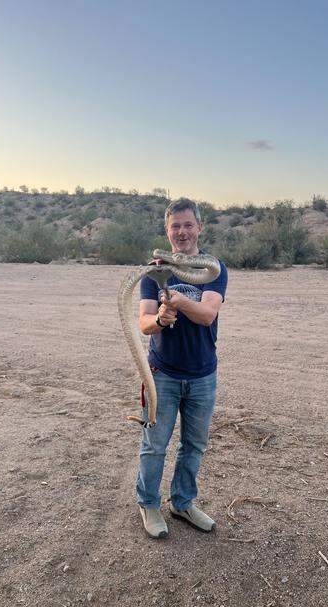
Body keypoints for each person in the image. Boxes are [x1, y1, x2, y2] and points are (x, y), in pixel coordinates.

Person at [135, 197, 228, 539]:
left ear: (199, 228)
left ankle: (183, 502)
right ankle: (148, 504)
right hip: (163, 374)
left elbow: (206, 315)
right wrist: (160, 318)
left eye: (189, 224)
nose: (182, 231)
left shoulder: (213, 269)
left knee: (194, 444)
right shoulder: (154, 269)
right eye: (176, 225)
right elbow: (144, 323)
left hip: (203, 374)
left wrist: (177, 301)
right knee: (154, 444)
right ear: (167, 230)